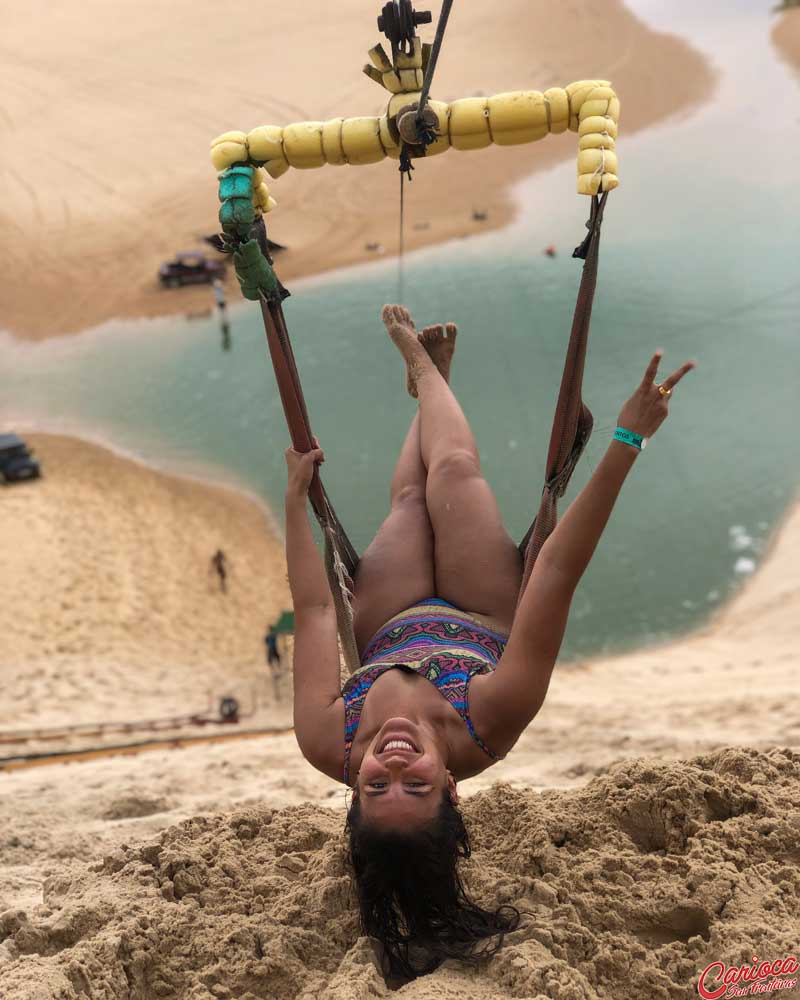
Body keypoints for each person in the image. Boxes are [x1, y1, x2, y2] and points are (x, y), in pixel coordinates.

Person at [285, 305, 695, 980]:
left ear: (352, 790)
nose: (391, 761)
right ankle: (425, 371)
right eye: (411, 784)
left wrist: (295, 499)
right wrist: (628, 437)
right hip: (485, 608)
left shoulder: (325, 737)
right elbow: (558, 570)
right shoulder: (491, 720)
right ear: (448, 786)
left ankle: (434, 383)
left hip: (388, 619)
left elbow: (311, 609)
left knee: (411, 500)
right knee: (450, 469)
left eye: (375, 783)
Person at [264, 624, 282, 698]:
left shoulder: (269, 636)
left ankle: (275, 671)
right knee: (277, 659)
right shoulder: (273, 635)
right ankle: (277, 670)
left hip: (271, 651)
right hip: (273, 650)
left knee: (273, 661)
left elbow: (266, 641)